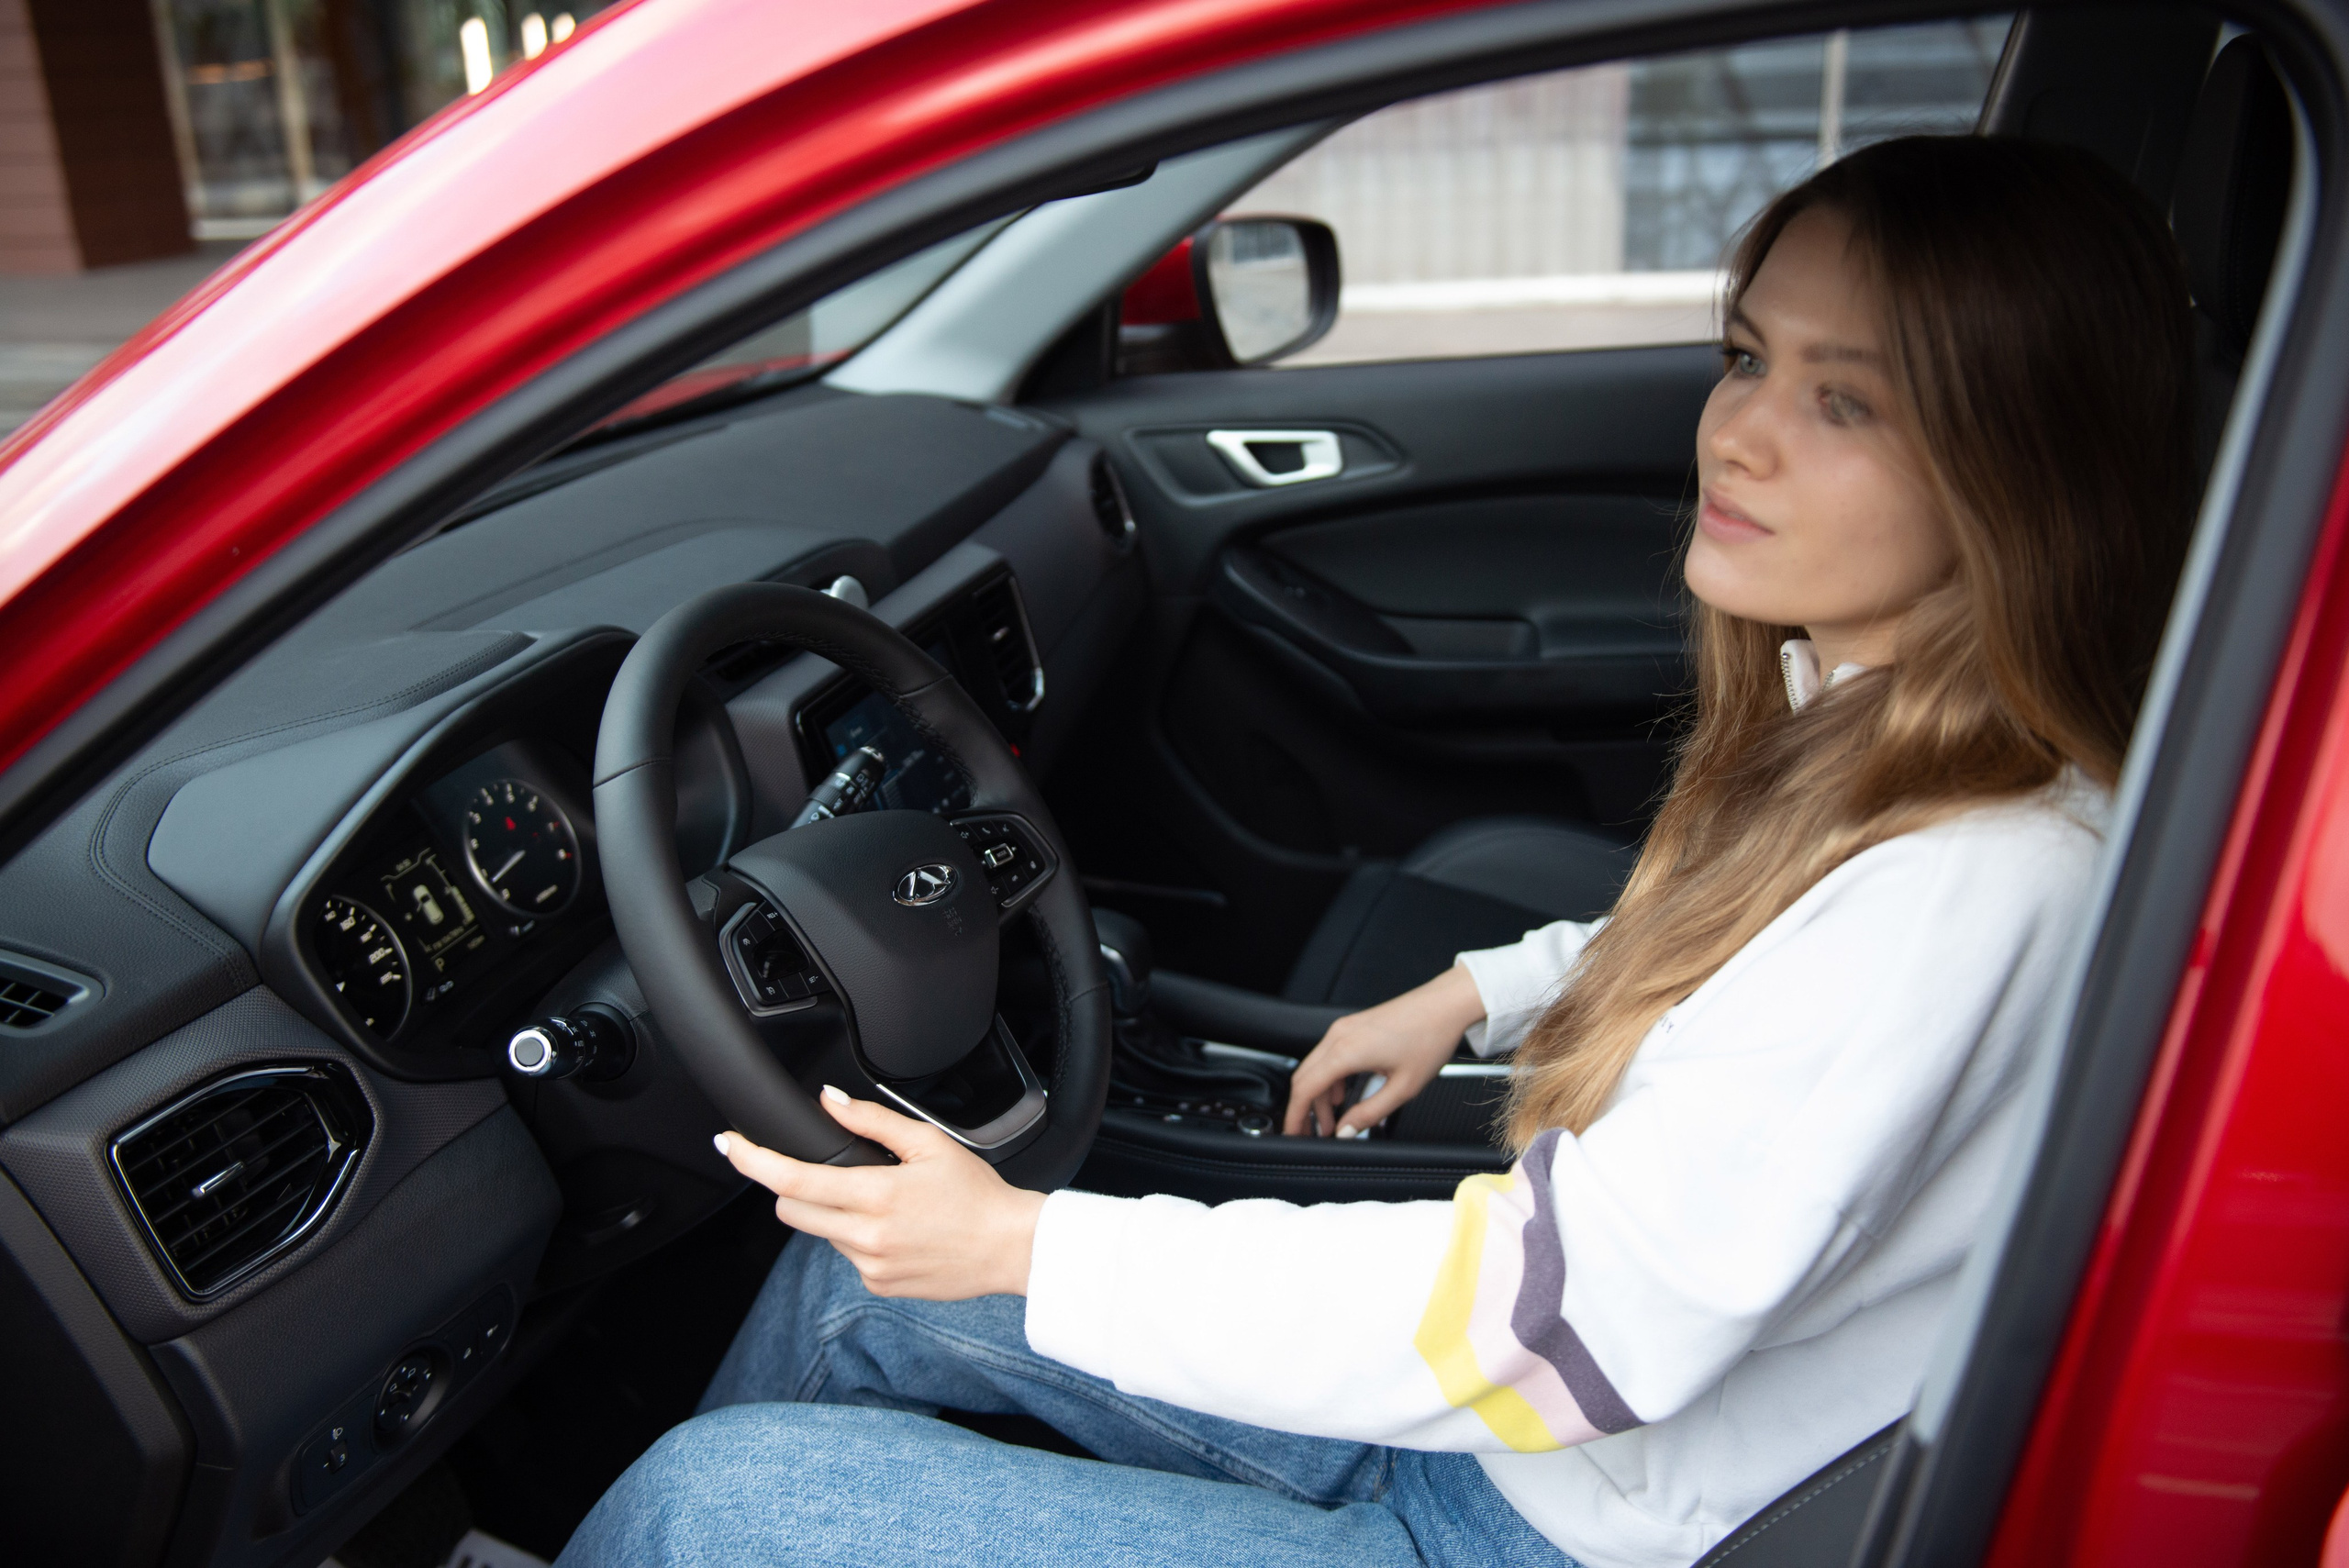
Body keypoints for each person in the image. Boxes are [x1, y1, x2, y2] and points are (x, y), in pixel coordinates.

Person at [555, 132, 2197, 1568]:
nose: (1740, 432)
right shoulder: (1872, 714)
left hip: (1546, 1522)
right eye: (1748, 356)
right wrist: (1478, 988)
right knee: (852, 1285)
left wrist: (1031, 1245)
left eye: (1843, 400)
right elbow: (1721, 952)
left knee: (712, 1505)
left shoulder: (1974, 879)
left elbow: (1559, 1327)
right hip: (1535, 1454)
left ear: (2015, 474)